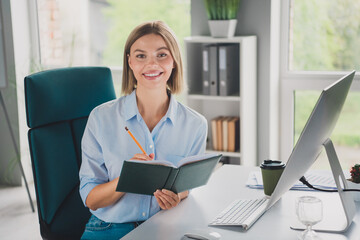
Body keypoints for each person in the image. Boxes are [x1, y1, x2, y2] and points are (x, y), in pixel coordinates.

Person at [79, 20, 207, 240]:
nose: (151, 64)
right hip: (108, 228)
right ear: (129, 61)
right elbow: (91, 199)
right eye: (140, 56)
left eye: (162, 55)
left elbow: (187, 186)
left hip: (164, 227)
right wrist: (127, 178)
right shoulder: (101, 118)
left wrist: (177, 196)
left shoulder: (195, 125)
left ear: (174, 61)